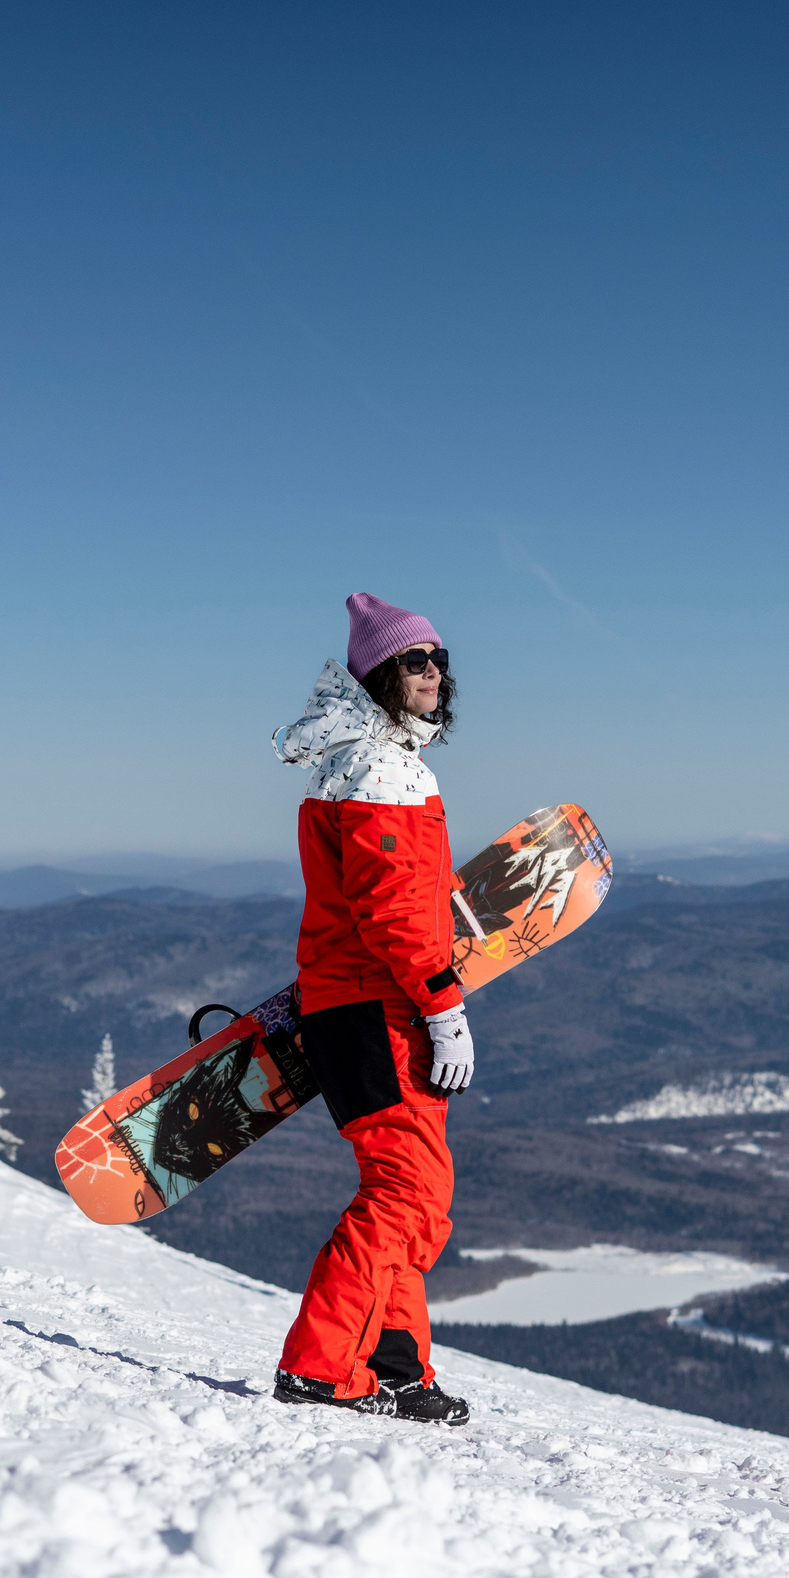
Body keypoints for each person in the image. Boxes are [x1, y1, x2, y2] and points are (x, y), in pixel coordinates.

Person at [267, 592, 476, 1424]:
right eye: (414, 661)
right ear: (379, 675)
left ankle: (393, 1365)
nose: (433, 673)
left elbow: (389, 900)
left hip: (354, 1003)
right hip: (377, 1007)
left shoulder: (366, 759)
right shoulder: (381, 770)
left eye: (438, 659)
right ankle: (320, 1366)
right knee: (405, 1191)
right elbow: (391, 912)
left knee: (413, 1194)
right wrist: (442, 1002)